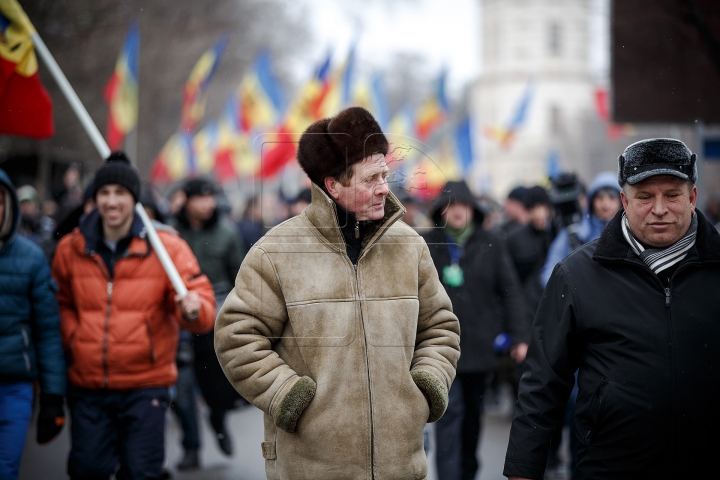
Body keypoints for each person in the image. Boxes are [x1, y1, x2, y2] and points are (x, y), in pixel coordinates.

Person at [215, 107, 460, 479]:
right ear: (333, 186)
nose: (384, 187)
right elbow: (237, 338)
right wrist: (289, 397)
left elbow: (440, 327)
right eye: (371, 179)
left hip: (401, 465)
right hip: (310, 467)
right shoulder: (275, 253)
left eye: (385, 175)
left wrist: (427, 385)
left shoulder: (411, 247)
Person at [504, 138, 720, 479]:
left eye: (672, 195)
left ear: (692, 198)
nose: (660, 209)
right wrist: (523, 470)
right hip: (612, 467)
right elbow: (542, 383)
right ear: (625, 201)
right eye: (645, 197)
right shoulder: (576, 275)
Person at [52, 152, 216, 480]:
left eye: (120, 193)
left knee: (141, 472)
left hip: (146, 386)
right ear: (94, 198)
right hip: (89, 387)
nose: (112, 202)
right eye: (104, 193)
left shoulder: (167, 247)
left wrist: (193, 309)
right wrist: (74, 337)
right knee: (88, 470)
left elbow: (202, 306)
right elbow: (62, 302)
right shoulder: (71, 248)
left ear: (134, 199)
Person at [423, 180, 528, 480]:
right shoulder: (429, 244)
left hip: (480, 347)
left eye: (463, 205)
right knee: (448, 415)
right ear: (441, 210)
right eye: (451, 205)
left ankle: (467, 472)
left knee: (472, 419)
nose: (457, 212)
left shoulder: (491, 242)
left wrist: (520, 337)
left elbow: (510, 291)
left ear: (472, 210)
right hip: (440, 349)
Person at [168, 177, 247, 467]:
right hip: (178, 317)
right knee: (182, 388)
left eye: (210, 196)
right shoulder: (173, 232)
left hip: (216, 318)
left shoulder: (227, 233)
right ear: (185, 200)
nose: (207, 203)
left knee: (215, 386)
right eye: (200, 197)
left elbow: (241, 277)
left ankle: (218, 421)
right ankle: (191, 448)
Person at [0, 170, 66, 480]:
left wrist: (52, 396)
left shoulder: (31, 258)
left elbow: (47, 332)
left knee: (5, 469)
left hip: (14, 387)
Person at [541, 171, 622, 285]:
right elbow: (549, 273)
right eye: (600, 198)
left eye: (612, 197)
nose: (605, 204)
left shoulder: (631, 234)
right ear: (591, 201)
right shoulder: (572, 233)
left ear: (622, 201)